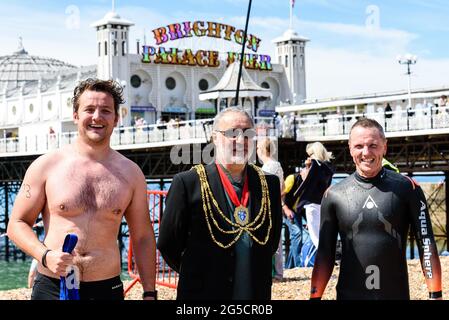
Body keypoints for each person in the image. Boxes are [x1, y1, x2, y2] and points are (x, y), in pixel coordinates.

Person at [7, 78, 157, 300]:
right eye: (89, 109)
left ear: (116, 118)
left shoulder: (131, 174)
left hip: (106, 288)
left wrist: (149, 291)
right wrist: (45, 255)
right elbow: (16, 224)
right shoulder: (46, 166)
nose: (97, 117)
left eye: (106, 110)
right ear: (75, 115)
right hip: (53, 285)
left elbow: (143, 236)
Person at [310, 118, 442, 300]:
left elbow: (426, 242)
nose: (366, 152)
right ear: (350, 148)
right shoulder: (334, 194)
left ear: (384, 147)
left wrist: (435, 294)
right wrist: (314, 296)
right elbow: (325, 253)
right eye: (359, 146)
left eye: (373, 145)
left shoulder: (408, 189)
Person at [157, 107, 282, 300]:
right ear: (215, 138)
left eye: (247, 134)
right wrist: (198, 271)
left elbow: (270, 241)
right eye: (232, 134)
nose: (240, 141)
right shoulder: (189, 183)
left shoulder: (269, 184)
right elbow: (168, 243)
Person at [297, 142, 334, 266]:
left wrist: (306, 170)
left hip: (311, 203)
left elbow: (306, 182)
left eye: (311, 154)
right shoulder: (328, 168)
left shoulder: (314, 165)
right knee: (320, 234)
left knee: (315, 236)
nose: (309, 157)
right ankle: (328, 258)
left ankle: (326, 260)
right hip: (321, 203)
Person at [257, 137, 284, 281]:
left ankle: (274, 273)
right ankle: (278, 272)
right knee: (277, 239)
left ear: (261, 150)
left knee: (269, 240)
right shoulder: (277, 165)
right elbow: (283, 188)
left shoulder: (267, 168)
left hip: (268, 208)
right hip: (277, 205)